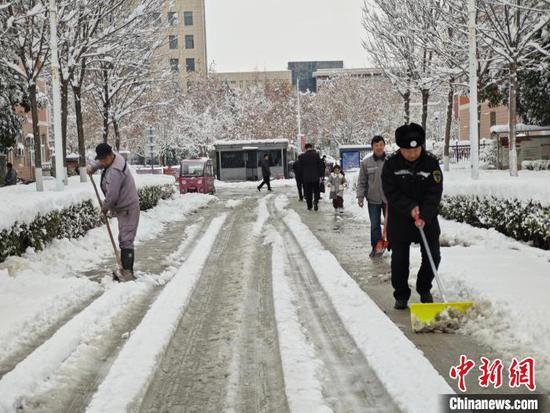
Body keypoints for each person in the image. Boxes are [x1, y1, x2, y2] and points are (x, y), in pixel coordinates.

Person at [381, 123, 443, 310]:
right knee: (400, 260)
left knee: (434, 256)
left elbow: (435, 191)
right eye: (408, 150)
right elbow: (390, 193)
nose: (413, 154)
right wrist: (410, 207)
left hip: (427, 219)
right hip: (401, 220)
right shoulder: (391, 164)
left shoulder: (431, 162)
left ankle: (424, 288)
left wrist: (425, 214)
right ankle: (401, 294)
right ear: (401, 148)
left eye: (416, 149)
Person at [88, 143, 140, 282]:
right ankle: (124, 269)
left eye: (104, 160)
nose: (102, 162)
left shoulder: (116, 171)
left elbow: (112, 195)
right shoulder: (113, 158)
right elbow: (102, 163)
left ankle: (127, 272)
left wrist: (105, 208)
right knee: (123, 238)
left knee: (126, 239)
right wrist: (94, 167)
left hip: (128, 207)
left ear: (111, 155)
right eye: (101, 160)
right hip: (123, 207)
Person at [356, 135, 387, 258]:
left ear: (384, 145)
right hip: (373, 200)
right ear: (372, 147)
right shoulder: (366, 163)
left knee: (392, 225)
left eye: (381, 144)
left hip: (388, 200)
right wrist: (360, 197)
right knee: (375, 225)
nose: (379, 147)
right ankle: (376, 247)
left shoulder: (391, 161)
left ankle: (394, 247)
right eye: (376, 145)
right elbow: (362, 181)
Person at [300, 143, 325, 211]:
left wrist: (302, 177)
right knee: (316, 191)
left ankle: (309, 206)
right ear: (311, 147)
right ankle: (316, 202)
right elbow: (320, 166)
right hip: (315, 177)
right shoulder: (316, 155)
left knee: (308, 192)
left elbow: (300, 168)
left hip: (306, 178)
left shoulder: (302, 156)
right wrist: (321, 175)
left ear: (305, 148)